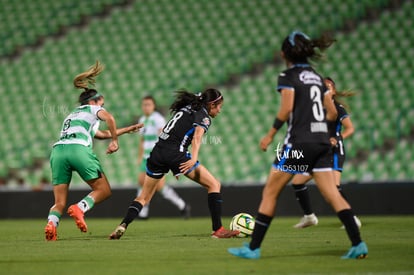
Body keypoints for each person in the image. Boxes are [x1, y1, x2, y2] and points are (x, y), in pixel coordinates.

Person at [228, 31, 368, 259]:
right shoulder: (317, 77)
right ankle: (358, 244)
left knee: (270, 192)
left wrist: (270, 134)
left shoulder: (288, 76)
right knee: (333, 194)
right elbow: (332, 112)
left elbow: (286, 109)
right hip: (322, 142)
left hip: (299, 143)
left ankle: (252, 249)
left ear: (285, 54)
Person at [109, 88, 240, 239]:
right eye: (219, 107)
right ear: (211, 105)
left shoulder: (188, 107)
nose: (219, 111)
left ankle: (123, 225)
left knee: (143, 197)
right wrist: (193, 159)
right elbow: (197, 136)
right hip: (176, 154)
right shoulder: (203, 115)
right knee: (214, 185)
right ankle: (218, 230)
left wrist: (173, 164)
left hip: (157, 152)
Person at [44, 61, 143, 241]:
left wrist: (127, 129)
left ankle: (51, 224)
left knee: (59, 202)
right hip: (78, 150)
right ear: (93, 101)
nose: (102, 106)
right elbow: (109, 119)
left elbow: (100, 133)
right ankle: (80, 207)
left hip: (58, 152)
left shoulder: (73, 114)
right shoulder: (94, 108)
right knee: (103, 190)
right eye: (101, 103)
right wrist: (115, 141)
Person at [292, 77, 361, 229]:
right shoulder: (314, 110)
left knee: (334, 187)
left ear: (333, 91)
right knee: (297, 182)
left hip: (334, 151)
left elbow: (350, 128)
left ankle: (352, 219)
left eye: (329, 87)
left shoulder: (337, 108)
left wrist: (337, 137)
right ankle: (309, 217)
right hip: (318, 151)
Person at [136, 95, 190, 219]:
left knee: (159, 186)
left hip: (156, 156)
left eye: (149, 104)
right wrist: (139, 156)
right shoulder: (142, 120)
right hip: (146, 156)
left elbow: (164, 137)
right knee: (141, 182)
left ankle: (182, 205)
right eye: (144, 105)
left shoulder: (158, 119)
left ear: (154, 106)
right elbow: (142, 140)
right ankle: (143, 213)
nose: (146, 107)